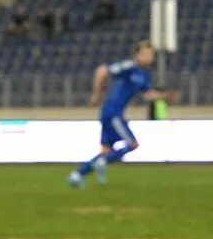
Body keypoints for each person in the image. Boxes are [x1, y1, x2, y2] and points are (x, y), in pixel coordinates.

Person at [67, 41, 176, 188]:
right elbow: (102, 70)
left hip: (111, 113)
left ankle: (77, 175)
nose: (149, 58)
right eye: (145, 54)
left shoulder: (143, 75)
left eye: (151, 55)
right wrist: (97, 95)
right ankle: (102, 163)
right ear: (137, 55)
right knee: (132, 144)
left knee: (107, 150)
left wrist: (164, 96)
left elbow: (147, 94)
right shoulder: (128, 66)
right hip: (113, 113)